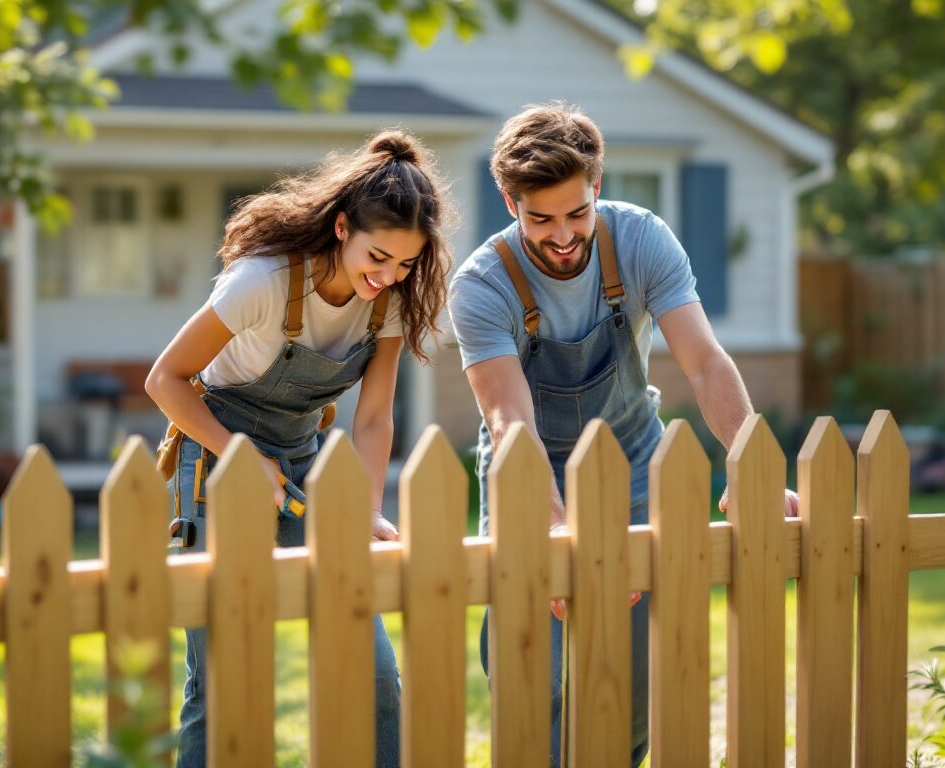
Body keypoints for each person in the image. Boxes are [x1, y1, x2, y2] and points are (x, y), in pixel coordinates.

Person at [448, 103, 798, 767]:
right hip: (529, 471)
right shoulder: (481, 287)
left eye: (576, 214)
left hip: (633, 466)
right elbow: (507, 419)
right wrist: (549, 524)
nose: (561, 236)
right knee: (532, 675)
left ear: (597, 187)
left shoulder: (641, 240)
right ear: (509, 200)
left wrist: (754, 463)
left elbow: (704, 361)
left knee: (637, 679)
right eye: (540, 218)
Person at [145, 130, 453, 768]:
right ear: (342, 227)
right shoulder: (259, 282)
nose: (388, 276)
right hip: (216, 456)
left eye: (404, 264)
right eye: (378, 256)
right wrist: (238, 458)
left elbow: (372, 420)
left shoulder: (387, 301)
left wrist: (362, 510)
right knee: (225, 677)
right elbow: (165, 382)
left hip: (310, 460)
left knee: (372, 672)